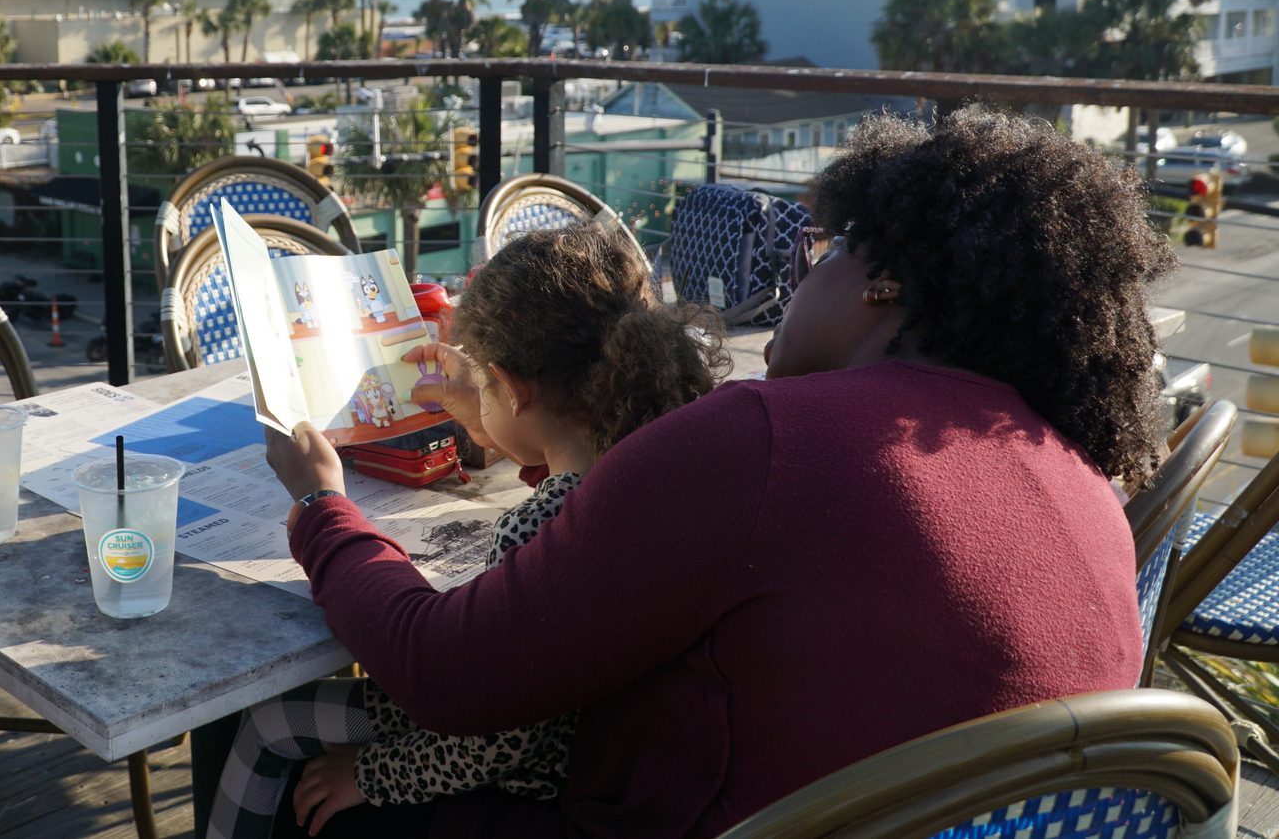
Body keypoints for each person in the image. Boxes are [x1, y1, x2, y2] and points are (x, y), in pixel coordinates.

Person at [265, 108, 1166, 839]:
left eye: (816, 253)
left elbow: (447, 674)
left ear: (883, 281)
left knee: (286, 766)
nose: (792, 285)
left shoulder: (764, 438)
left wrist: (321, 509)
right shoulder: (1075, 472)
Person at [207, 223, 728, 839]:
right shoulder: (660, 460)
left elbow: (495, 740)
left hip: (528, 787)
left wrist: (375, 774)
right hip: (624, 752)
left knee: (263, 725)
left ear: (512, 387)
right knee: (277, 717)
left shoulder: (544, 529)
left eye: (483, 383)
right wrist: (493, 424)